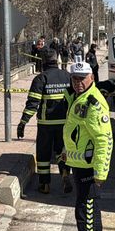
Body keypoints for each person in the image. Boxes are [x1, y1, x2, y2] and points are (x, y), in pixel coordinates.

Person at [60, 61, 113, 231]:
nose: (78, 83)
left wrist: (100, 172)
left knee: (85, 209)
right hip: (81, 162)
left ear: (91, 77)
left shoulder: (93, 102)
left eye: (82, 78)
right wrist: (67, 152)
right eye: (74, 79)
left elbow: (104, 140)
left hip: (89, 166)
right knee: (91, 207)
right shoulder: (80, 97)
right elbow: (78, 133)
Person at [17, 49, 72, 194]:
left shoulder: (41, 78)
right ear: (57, 60)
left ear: (43, 62)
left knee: (43, 154)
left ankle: (44, 185)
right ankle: (65, 173)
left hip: (45, 125)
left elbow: (32, 103)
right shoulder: (67, 76)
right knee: (62, 151)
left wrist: (23, 122)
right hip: (64, 124)